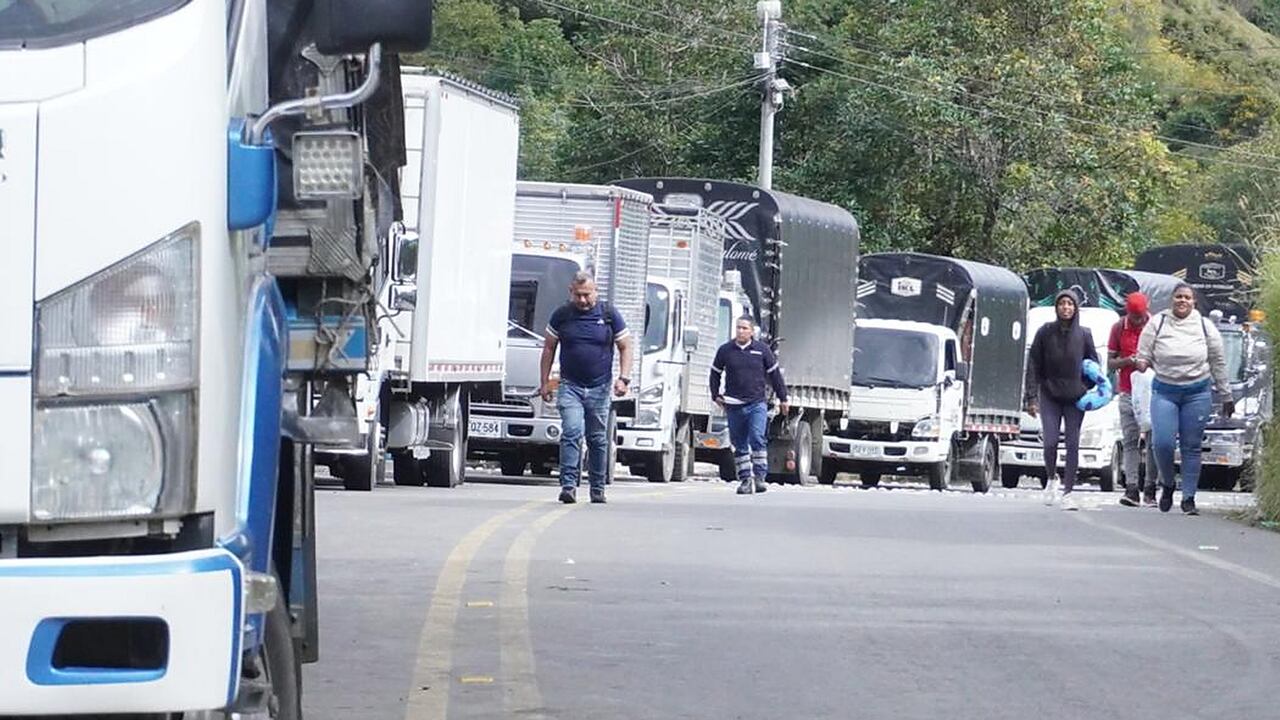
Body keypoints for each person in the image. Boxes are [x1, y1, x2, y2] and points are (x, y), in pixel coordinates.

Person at [1135, 283, 1232, 515]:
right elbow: (1143, 353)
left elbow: (1218, 362)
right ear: (1172, 300)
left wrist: (1226, 394)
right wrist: (1141, 363)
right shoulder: (1157, 323)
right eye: (1178, 297)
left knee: (1191, 446)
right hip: (1165, 391)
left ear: (1194, 301)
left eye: (1187, 298)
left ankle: (1189, 498)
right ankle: (1167, 484)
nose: (1182, 301)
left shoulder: (1205, 326)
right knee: (1162, 443)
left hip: (1197, 392)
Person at [539, 272, 633, 505]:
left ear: (596, 291)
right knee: (571, 432)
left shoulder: (609, 315)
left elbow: (625, 347)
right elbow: (549, 348)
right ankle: (568, 485)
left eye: (586, 295)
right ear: (571, 292)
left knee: (597, 439)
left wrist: (624, 379)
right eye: (577, 295)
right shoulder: (562, 315)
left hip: (600, 387)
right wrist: (544, 381)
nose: (582, 300)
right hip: (570, 386)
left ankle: (597, 487)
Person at [1025, 286, 1099, 511]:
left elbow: (1095, 366)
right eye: (1062, 304)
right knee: (1050, 441)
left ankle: (1068, 491)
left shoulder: (1084, 334)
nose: (1066, 308)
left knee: (1073, 443)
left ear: (1076, 308)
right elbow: (1033, 364)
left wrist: (1085, 387)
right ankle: (1051, 479)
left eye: (1070, 304)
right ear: (1056, 307)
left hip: (1075, 398)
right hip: (1049, 393)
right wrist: (1031, 397)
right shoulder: (1045, 332)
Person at [709, 316, 789, 495]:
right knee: (739, 443)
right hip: (734, 404)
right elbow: (715, 373)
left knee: (757, 437)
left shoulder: (762, 350)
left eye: (744, 328)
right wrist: (716, 394)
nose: (740, 331)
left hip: (756, 403)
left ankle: (760, 477)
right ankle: (745, 479)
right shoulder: (725, 350)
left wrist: (783, 398)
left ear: (752, 331)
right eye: (738, 328)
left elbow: (775, 376)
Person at [1109, 292, 1158, 507]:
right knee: (1130, 442)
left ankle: (1150, 489)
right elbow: (1110, 363)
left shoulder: (1156, 326)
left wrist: (1148, 363)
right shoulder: (1119, 327)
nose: (1138, 322)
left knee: (1154, 443)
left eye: (1141, 317)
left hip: (1153, 393)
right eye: (1134, 317)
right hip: (1128, 392)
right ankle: (1131, 489)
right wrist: (1129, 360)